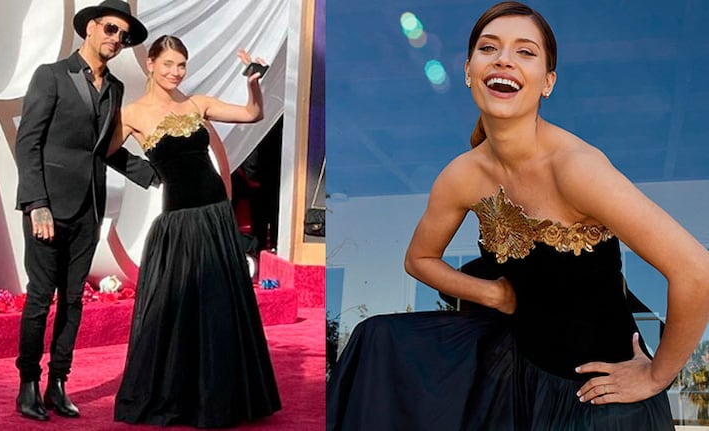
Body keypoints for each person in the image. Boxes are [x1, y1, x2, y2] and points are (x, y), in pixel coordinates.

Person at [326, 2, 709, 430]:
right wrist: (494, 295)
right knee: (375, 343)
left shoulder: (576, 169)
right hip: (519, 385)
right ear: (469, 70)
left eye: (525, 52)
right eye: (489, 48)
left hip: (603, 404)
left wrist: (658, 376)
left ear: (547, 83)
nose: (504, 58)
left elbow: (696, 271)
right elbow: (418, 260)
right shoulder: (462, 176)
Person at [110, 35, 281, 428]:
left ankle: (223, 399)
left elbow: (252, 114)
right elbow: (102, 149)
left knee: (221, 309)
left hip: (217, 218)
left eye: (181, 65)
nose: (175, 72)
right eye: (168, 64)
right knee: (176, 313)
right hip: (179, 224)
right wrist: (144, 173)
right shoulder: (132, 113)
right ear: (150, 64)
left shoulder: (197, 104)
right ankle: (181, 398)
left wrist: (253, 83)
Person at [14, 0, 158, 422]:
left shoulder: (115, 88)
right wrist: (36, 203)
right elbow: (29, 142)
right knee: (41, 299)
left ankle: (59, 383)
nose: (117, 40)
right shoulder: (51, 76)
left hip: (89, 208)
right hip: (48, 206)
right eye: (111, 30)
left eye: (124, 36)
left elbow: (106, 150)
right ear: (91, 28)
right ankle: (28, 385)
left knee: (73, 299)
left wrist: (155, 172)